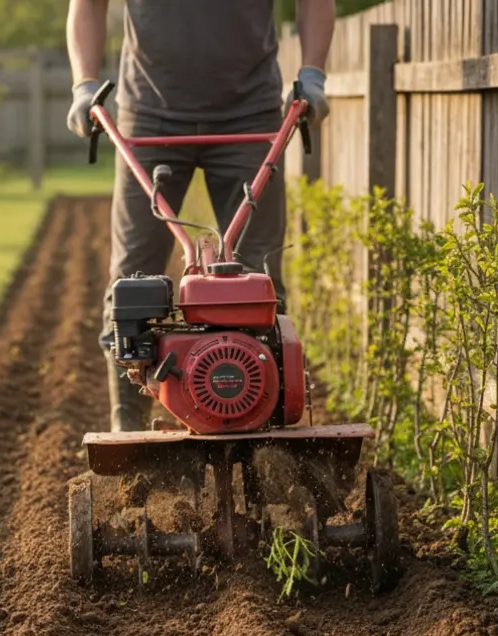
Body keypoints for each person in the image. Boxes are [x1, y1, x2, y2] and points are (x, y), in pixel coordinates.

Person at [66, 0, 335, 433]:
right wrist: (84, 85)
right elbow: (88, 5)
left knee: (259, 275)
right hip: (149, 116)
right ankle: (128, 424)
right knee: (132, 278)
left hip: (249, 114)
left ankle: (265, 426)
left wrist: (313, 74)